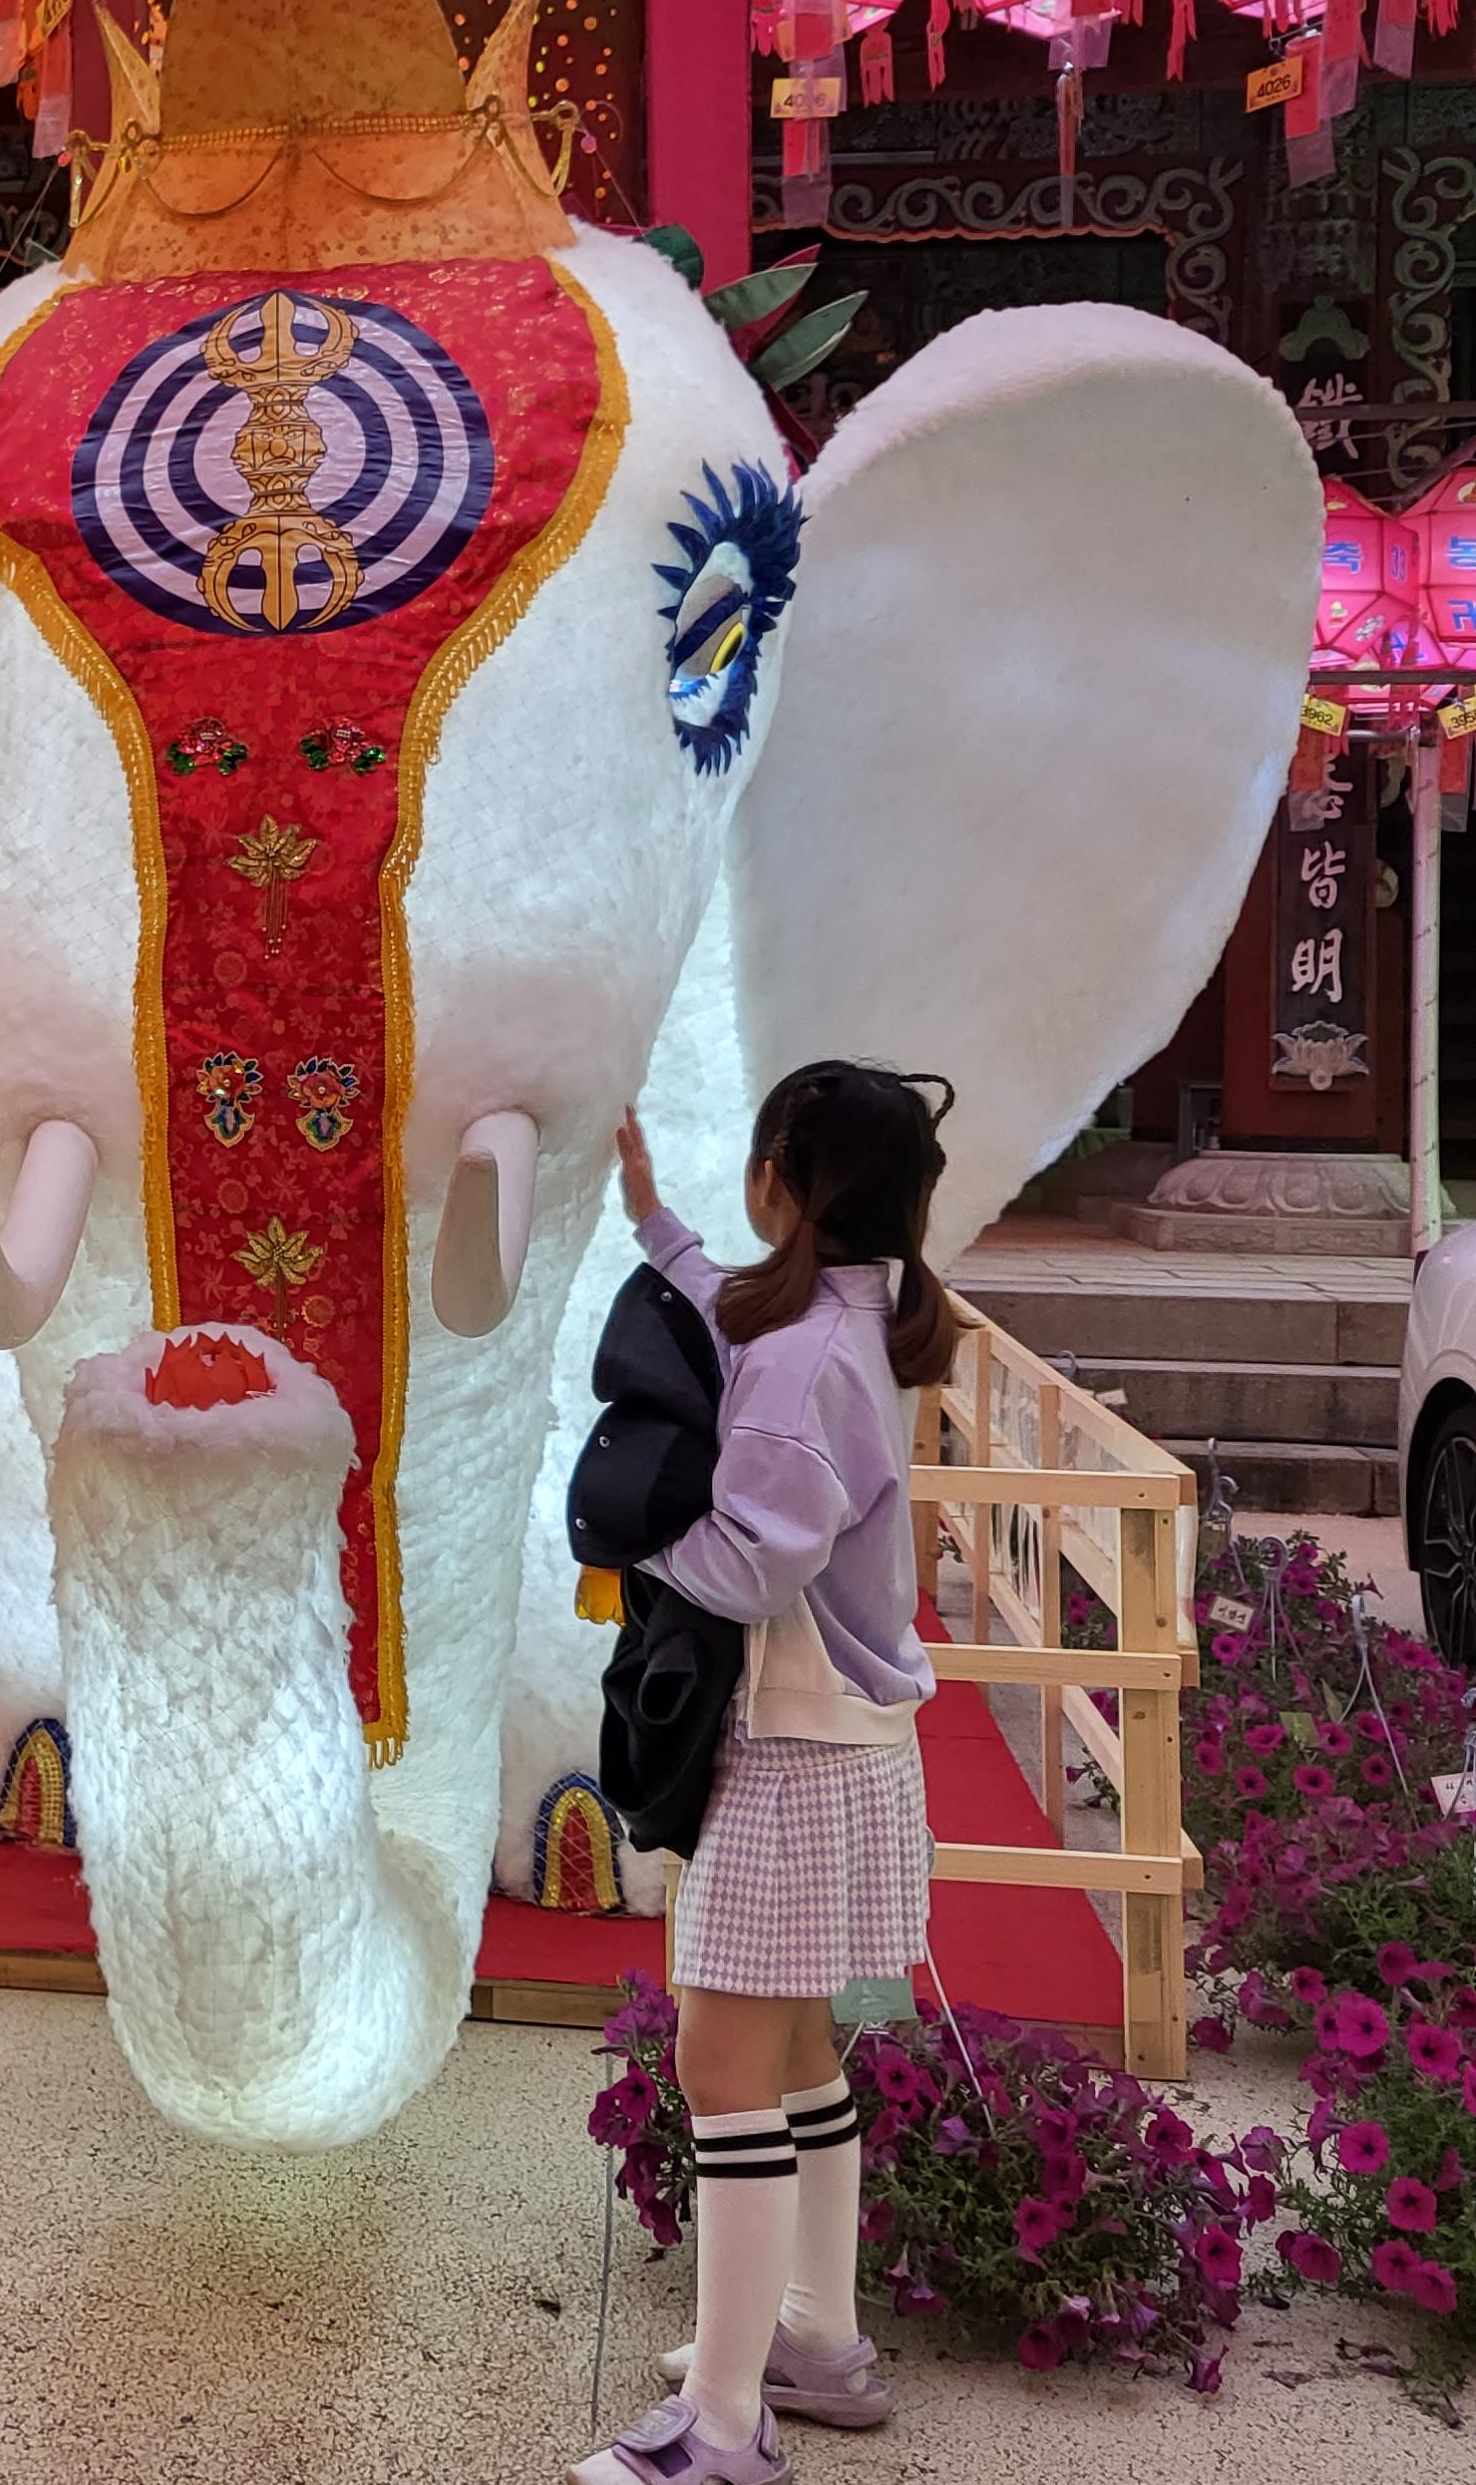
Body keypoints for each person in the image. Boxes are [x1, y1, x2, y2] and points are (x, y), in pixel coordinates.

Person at [570, 1063, 958, 2485]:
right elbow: (746, 1325)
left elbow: (751, 1554)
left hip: (793, 1759)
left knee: (720, 2060)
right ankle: (817, 2340)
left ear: (781, 1180)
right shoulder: (844, 1313)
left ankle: (721, 2433)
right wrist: (654, 1221)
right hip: (850, 1750)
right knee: (796, 2055)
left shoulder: (801, 1359)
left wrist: (629, 1561)